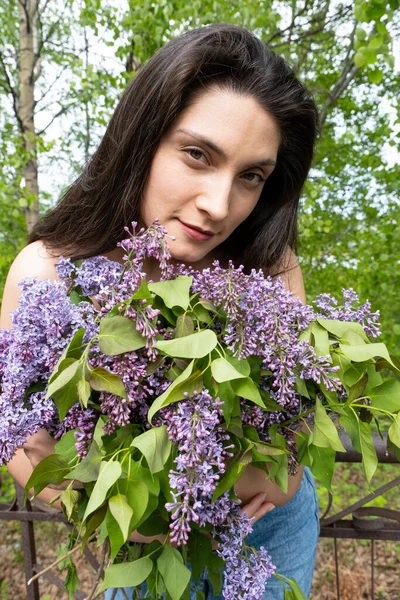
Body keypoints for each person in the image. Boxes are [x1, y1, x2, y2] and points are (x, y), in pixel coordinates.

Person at [1, 24, 320, 599]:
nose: (220, 206)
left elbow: (295, 422)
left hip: (271, 530)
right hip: (147, 545)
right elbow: (15, 430)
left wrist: (279, 475)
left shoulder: (266, 265)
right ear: (140, 138)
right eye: (198, 155)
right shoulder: (48, 271)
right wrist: (103, 509)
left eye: (251, 176)